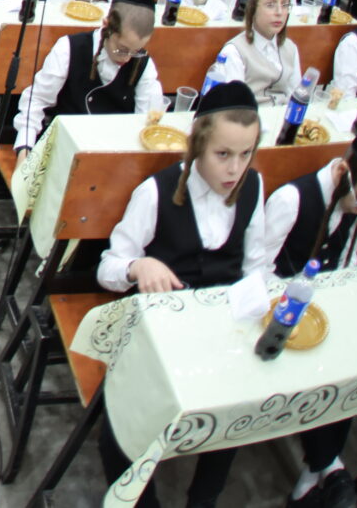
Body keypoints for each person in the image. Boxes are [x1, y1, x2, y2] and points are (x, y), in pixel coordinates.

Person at [96, 81, 267, 508]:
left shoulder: (253, 188)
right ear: (196, 147)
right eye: (223, 155)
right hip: (160, 329)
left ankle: (203, 498)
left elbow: (255, 267)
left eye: (245, 155)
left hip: (218, 326)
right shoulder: (157, 192)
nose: (234, 169)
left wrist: (255, 304)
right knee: (124, 425)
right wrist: (140, 265)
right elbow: (108, 268)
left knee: (234, 405)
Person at [258, 124, 357, 508]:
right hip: (276, 314)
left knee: (356, 363)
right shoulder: (294, 200)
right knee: (324, 368)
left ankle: (316, 472)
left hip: (318, 314)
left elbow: (350, 260)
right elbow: (257, 271)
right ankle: (327, 468)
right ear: (343, 171)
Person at [14, 0, 164, 150]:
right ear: (106, 25)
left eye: (135, 51)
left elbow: (144, 123)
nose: (127, 59)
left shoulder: (144, 65)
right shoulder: (69, 49)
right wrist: (24, 147)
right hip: (65, 145)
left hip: (114, 149)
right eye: (122, 49)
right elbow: (36, 101)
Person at [213, 0, 301, 102]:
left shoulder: (290, 48)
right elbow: (234, 105)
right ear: (253, 8)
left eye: (285, 5)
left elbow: (295, 96)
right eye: (270, 5)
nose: (279, 12)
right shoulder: (235, 52)